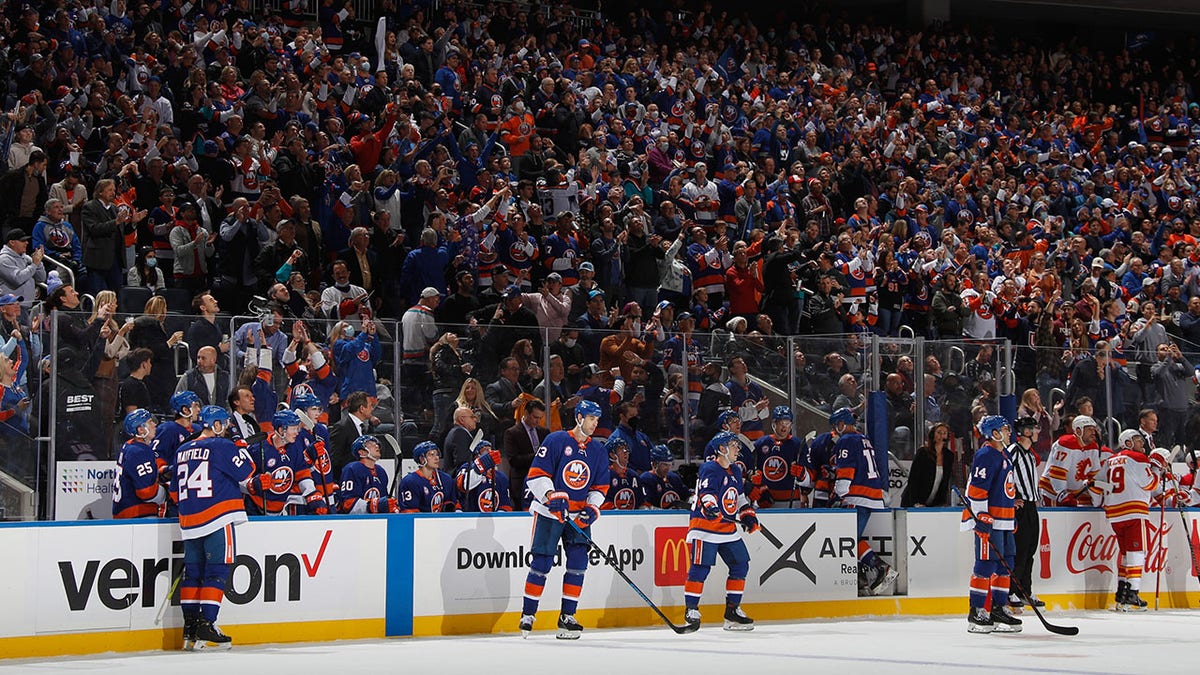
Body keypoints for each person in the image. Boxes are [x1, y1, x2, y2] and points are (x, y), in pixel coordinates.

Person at [519, 400, 611, 639]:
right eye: (592, 418)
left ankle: (567, 616)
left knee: (579, 562)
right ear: (579, 417)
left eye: (597, 419)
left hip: (578, 517)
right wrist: (551, 496)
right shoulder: (556, 440)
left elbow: (600, 486)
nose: (595, 423)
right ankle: (528, 614)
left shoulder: (598, 450)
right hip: (551, 513)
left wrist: (593, 507)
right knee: (542, 563)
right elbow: (537, 475)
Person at [173, 406, 255, 650]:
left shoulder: (181, 450)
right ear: (216, 425)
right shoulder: (221, 445)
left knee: (194, 573)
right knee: (216, 572)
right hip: (218, 515)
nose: (227, 428)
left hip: (189, 520)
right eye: (225, 424)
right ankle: (207, 623)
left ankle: (190, 626)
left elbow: (175, 491)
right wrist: (241, 448)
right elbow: (246, 471)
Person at [683, 430, 759, 630]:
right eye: (733, 445)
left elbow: (739, 497)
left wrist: (748, 515)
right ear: (721, 449)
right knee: (700, 568)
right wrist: (711, 507)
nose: (737, 449)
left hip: (727, 529)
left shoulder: (735, 470)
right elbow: (707, 494)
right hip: (704, 528)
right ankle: (691, 609)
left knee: (741, 565)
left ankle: (732, 612)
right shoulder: (710, 468)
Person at [962, 415, 1022, 634]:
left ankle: (998, 609)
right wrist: (981, 516)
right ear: (994, 433)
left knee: (1006, 564)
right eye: (1004, 429)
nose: (1008, 432)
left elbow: (1004, 490)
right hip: (989, 520)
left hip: (1003, 520)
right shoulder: (986, 455)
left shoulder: (1003, 454)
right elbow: (976, 489)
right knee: (986, 564)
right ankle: (976, 612)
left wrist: (1010, 515)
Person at [830, 407, 897, 596]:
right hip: (871, 496)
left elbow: (845, 475)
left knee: (849, 539)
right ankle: (865, 576)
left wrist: (838, 493)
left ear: (842, 424)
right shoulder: (864, 438)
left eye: (836, 426)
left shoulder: (846, 440)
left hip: (857, 496)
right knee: (852, 537)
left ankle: (880, 568)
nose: (835, 431)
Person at [1102, 432, 1163, 612]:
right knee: (1137, 552)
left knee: (1125, 553)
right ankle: (1133, 593)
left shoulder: (1111, 460)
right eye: (1138, 439)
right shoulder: (1138, 457)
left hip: (1114, 512)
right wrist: (1158, 469)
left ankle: (1122, 591)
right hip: (1134, 511)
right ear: (1127, 442)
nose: (1141, 442)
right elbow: (1150, 484)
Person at [244, 410, 329, 516]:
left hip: (279, 509)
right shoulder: (258, 449)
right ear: (281, 429)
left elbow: (302, 473)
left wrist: (312, 494)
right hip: (255, 508)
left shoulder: (295, 447)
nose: (297, 432)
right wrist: (253, 483)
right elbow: (242, 477)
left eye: (297, 428)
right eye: (293, 428)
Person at [1007, 416, 1045, 611]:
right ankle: (1011, 590)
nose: (1038, 432)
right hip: (1019, 508)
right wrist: (1011, 499)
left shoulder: (1030, 454)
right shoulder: (1013, 452)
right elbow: (1004, 475)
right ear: (1026, 431)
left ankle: (1025, 591)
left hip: (1031, 506)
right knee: (1019, 551)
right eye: (1035, 428)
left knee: (1030, 550)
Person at [1038, 415, 1106, 506]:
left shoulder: (1093, 447)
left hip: (1075, 493)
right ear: (1078, 431)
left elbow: (1094, 474)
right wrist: (1062, 494)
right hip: (1052, 492)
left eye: (1094, 429)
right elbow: (1057, 473)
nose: (1093, 432)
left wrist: (1098, 495)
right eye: (1089, 429)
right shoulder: (1066, 443)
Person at [112, 409, 167, 519]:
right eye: (150, 422)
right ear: (141, 430)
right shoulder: (139, 451)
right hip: (138, 514)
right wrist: (166, 493)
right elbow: (147, 492)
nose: (154, 424)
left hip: (123, 510)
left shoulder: (128, 446)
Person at [751, 407, 809, 508]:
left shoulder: (798, 444)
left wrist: (802, 475)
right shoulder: (761, 443)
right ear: (774, 423)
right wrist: (758, 487)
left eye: (787, 423)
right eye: (781, 423)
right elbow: (753, 470)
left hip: (792, 499)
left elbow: (809, 475)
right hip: (766, 500)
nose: (784, 427)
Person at [338, 435, 400, 514]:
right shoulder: (352, 469)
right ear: (362, 452)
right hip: (353, 522)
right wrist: (373, 506)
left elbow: (383, 500)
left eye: (376, 444)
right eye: (370, 444)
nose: (376, 446)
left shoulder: (381, 471)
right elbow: (348, 504)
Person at [900, 423, 954, 507]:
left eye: (944, 433)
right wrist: (915, 502)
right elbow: (913, 479)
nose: (941, 435)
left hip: (934, 502)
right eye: (939, 432)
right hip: (914, 502)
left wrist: (942, 502)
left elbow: (945, 481)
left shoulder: (949, 455)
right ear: (933, 434)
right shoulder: (923, 452)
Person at [399, 441, 460, 512]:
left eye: (437, 454)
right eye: (431, 455)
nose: (436, 458)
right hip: (421, 522)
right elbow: (410, 513)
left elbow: (454, 505)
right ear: (422, 459)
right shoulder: (410, 482)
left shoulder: (446, 479)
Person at [455, 440, 513, 512]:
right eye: (485, 450)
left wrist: (497, 519)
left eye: (490, 450)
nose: (489, 453)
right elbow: (462, 486)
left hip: (493, 520)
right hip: (469, 518)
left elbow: (505, 506)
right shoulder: (466, 467)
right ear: (476, 455)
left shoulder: (501, 477)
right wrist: (479, 468)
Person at [152, 391, 202, 475]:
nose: (199, 410)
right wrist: (165, 471)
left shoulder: (198, 428)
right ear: (185, 410)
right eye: (195, 406)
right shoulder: (168, 429)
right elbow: (156, 454)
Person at [639, 444, 688, 509]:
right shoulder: (646, 479)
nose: (668, 468)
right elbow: (645, 505)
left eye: (669, 464)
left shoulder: (674, 478)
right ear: (655, 464)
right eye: (665, 464)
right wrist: (663, 513)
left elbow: (687, 495)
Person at [601, 436, 642, 510]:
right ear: (612, 455)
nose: (626, 452)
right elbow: (602, 501)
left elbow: (641, 501)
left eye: (626, 449)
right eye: (621, 449)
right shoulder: (605, 475)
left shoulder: (633, 475)